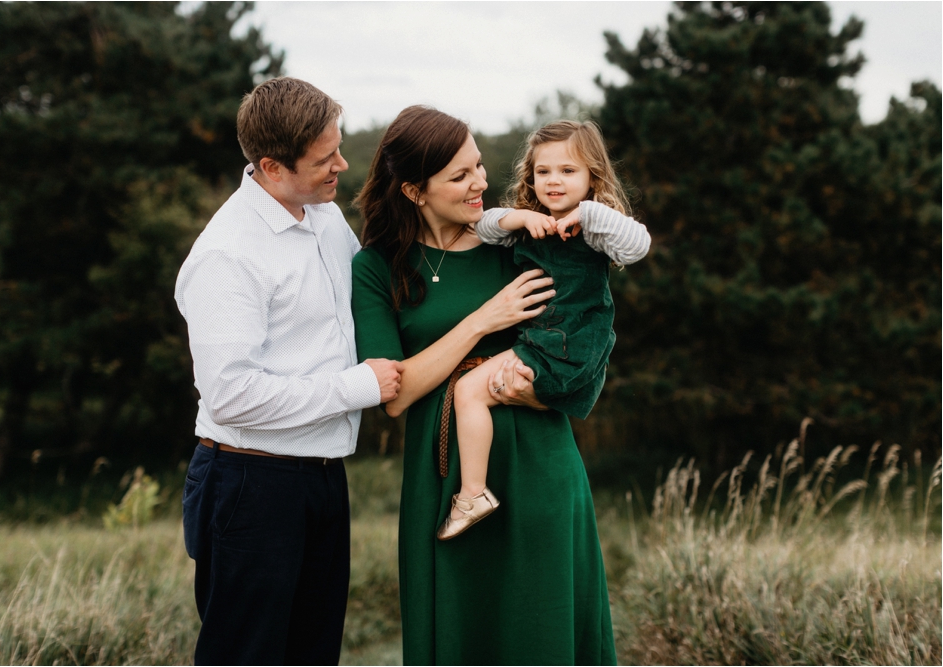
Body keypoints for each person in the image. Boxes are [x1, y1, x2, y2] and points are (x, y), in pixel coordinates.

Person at [351, 105, 618, 664]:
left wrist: (531, 391)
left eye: (477, 166)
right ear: (414, 192)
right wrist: (483, 320)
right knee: (460, 632)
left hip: (539, 462)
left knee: (540, 631)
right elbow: (395, 395)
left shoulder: (521, 243)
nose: (479, 183)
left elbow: (589, 351)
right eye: (459, 176)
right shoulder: (378, 269)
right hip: (446, 477)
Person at [174, 77, 404, 666]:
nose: (342, 166)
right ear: (272, 166)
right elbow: (230, 395)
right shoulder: (228, 255)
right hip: (251, 485)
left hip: (322, 477)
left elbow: (368, 294)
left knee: (313, 653)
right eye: (326, 158)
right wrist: (358, 387)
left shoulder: (323, 217)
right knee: (247, 655)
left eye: (339, 146)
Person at [438, 120, 651, 539]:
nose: (554, 181)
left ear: (592, 176)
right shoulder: (529, 224)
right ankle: (480, 490)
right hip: (545, 344)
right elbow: (482, 225)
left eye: (569, 171)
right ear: (530, 176)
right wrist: (517, 218)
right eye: (543, 172)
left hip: (565, 347)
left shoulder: (596, 229)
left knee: (467, 391)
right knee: (487, 390)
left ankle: (472, 495)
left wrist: (587, 211)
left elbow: (638, 245)